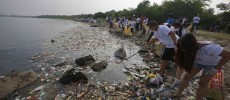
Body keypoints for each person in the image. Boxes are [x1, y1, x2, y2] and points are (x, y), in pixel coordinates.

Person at [172, 34, 230, 100]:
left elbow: (228, 55)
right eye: (183, 49)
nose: (184, 51)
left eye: (186, 49)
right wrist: (177, 78)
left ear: (191, 46)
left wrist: (215, 68)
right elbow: (181, 66)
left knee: (202, 83)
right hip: (199, 61)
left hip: (212, 64)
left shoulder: (210, 48)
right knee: (186, 77)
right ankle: (178, 93)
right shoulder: (185, 48)